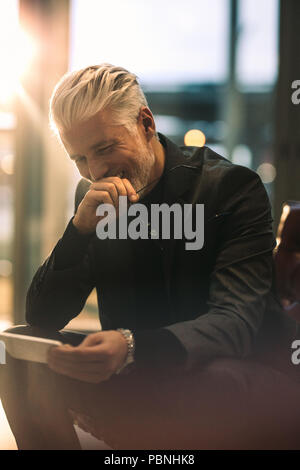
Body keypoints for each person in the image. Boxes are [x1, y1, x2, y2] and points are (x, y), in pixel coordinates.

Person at [1, 64, 300, 450]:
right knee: (23, 360)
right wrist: (78, 231)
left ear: (146, 123)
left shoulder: (232, 189)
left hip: (238, 368)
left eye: (105, 149)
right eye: (79, 159)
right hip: (139, 368)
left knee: (213, 380)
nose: (95, 171)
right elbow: (42, 317)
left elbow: (234, 324)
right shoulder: (94, 199)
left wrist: (130, 347)